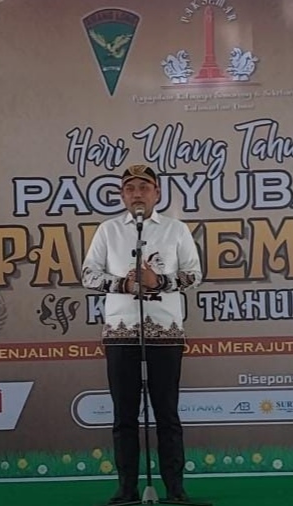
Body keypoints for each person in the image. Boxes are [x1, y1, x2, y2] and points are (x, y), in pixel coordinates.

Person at [81, 164, 202, 504]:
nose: (137, 194)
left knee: (167, 413)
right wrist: (124, 284)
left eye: (144, 188)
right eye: (130, 188)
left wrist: (158, 282)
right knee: (124, 415)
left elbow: (194, 274)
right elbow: (88, 275)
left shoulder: (176, 229)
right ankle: (127, 488)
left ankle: (175, 488)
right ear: (122, 195)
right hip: (121, 333)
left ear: (157, 193)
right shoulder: (108, 230)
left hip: (165, 332)